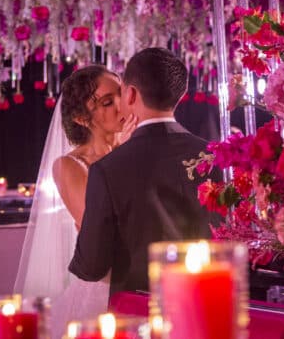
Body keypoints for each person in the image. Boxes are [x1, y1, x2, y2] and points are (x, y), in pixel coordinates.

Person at [69, 47, 221, 298]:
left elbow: (91, 267)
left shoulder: (108, 169)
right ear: (178, 95)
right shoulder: (216, 157)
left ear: (130, 94)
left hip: (140, 311)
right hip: (206, 303)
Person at [14, 65, 136, 335]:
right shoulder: (69, 166)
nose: (120, 105)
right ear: (82, 118)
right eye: (107, 102)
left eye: (121, 94)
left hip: (141, 278)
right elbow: (97, 225)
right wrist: (126, 154)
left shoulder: (136, 149)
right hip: (103, 282)